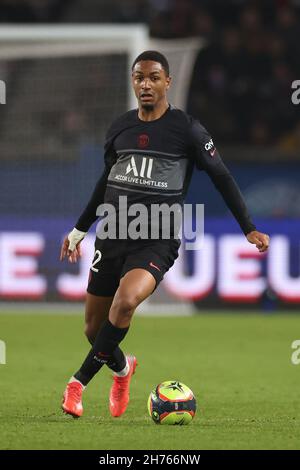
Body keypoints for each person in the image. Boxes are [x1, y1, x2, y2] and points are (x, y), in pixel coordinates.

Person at [60, 50, 270, 418]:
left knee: (124, 304)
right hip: (111, 235)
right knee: (94, 329)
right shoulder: (120, 128)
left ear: (167, 82)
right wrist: (80, 228)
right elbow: (105, 183)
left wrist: (248, 227)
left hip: (156, 239)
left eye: (154, 77)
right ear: (133, 80)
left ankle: (77, 384)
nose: (146, 84)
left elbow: (222, 177)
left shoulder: (187, 130)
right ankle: (124, 371)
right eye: (139, 77)